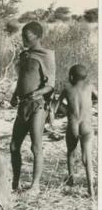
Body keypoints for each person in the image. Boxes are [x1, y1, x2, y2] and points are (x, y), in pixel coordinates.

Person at [10, 21, 55, 194]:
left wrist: (38, 93)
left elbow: (50, 84)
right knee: (14, 146)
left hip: (38, 105)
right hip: (23, 105)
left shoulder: (46, 56)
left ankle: (35, 185)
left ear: (38, 37)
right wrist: (15, 95)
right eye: (22, 36)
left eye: (27, 37)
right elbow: (21, 80)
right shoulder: (24, 56)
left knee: (36, 146)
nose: (24, 39)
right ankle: (15, 183)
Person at [56, 64, 97, 198]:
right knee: (87, 158)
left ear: (71, 76)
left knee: (71, 153)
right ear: (85, 77)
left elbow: (55, 106)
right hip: (86, 125)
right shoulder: (90, 87)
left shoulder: (67, 88)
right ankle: (91, 188)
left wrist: (64, 110)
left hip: (73, 124)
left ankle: (70, 179)